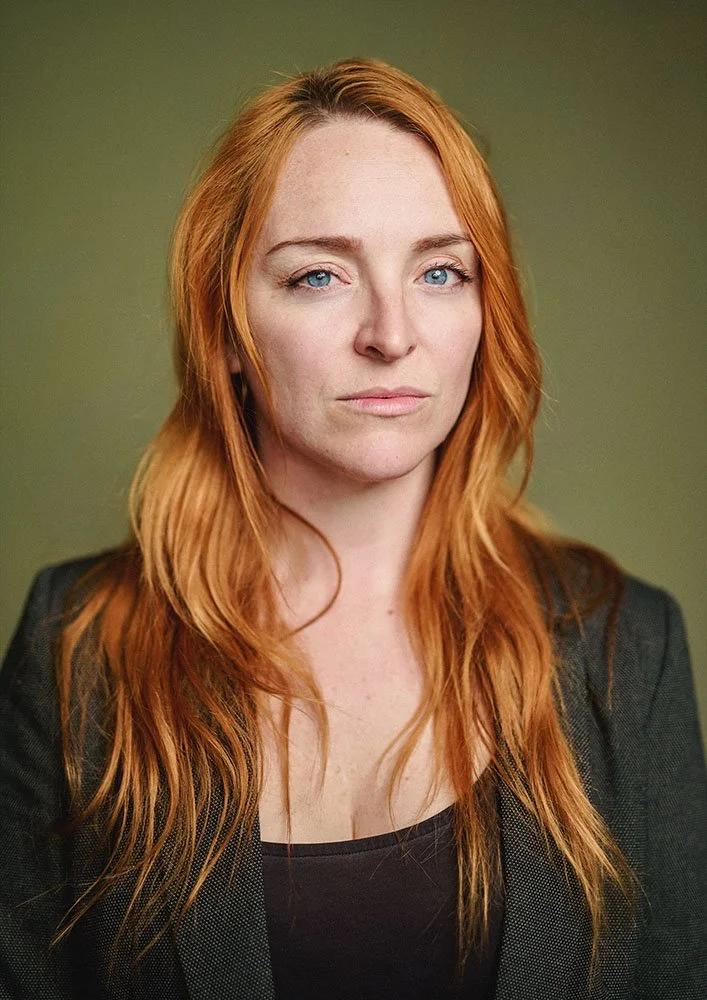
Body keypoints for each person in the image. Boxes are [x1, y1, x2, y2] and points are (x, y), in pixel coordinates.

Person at [1, 56, 705, 1000]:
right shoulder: (75, 642)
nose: (391, 331)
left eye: (440, 271)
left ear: (483, 314)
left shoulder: (628, 644)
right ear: (226, 331)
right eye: (321, 275)